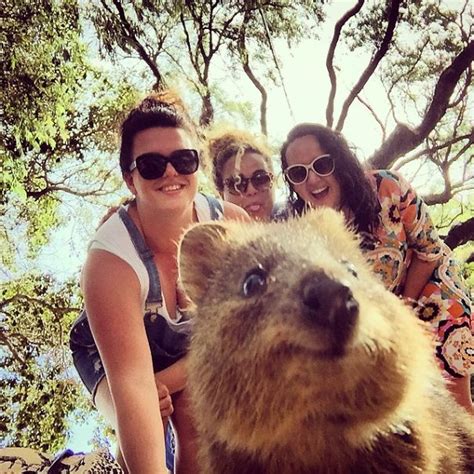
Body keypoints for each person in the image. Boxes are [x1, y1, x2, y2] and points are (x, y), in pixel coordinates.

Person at [69, 92, 248, 474]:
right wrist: (142, 400)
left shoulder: (232, 227)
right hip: (108, 354)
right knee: (137, 418)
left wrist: (163, 381)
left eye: (183, 159)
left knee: (193, 412)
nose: (170, 173)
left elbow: (248, 333)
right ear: (130, 179)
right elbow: (131, 382)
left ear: (198, 167)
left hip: (189, 350)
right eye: (151, 165)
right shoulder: (109, 261)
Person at [279, 123, 473, 412]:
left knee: (452, 399)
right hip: (375, 314)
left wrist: (403, 308)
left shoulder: (388, 187)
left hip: (429, 289)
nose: (313, 179)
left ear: (339, 161)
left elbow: (429, 252)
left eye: (321, 164)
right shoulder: (299, 228)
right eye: (298, 173)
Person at [204, 126, 287, 221]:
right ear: (221, 194)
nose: (251, 190)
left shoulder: (295, 218)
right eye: (237, 184)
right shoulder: (209, 233)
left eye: (260, 179)